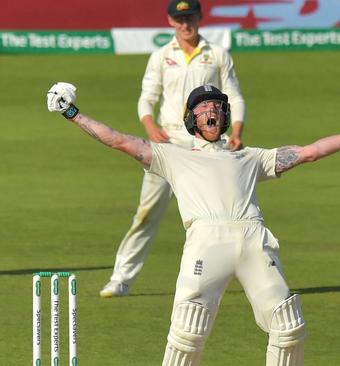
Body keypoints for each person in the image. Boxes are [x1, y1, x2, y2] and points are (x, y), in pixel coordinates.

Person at [46, 82, 340, 365]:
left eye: (216, 106)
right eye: (203, 108)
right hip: (206, 242)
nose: (211, 111)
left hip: (253, 239)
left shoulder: (250, 157)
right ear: (191, 119)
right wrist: (71, 113)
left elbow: (307, 153)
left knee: (289, 328)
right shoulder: (171, 156)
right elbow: (117, 140)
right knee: (187, 335)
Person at [100, 0, 247, 297]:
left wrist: (236, 130)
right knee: (147, 212)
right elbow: (146, 98)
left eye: (190, 17)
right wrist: (150, 127)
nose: (185, 24)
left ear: (199, 17)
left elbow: (234, 95)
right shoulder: (161, 56)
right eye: (179, 19)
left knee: (219, 212)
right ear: (170, 21)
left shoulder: (216, 54)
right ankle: (121, 278)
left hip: (206, 146)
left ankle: (238, 273)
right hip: (168, 145)